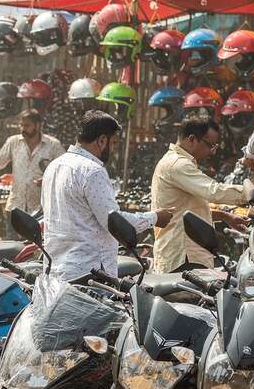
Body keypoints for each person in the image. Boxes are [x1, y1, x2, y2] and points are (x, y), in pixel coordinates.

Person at [42, 111, 174, 281]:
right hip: (89, 273)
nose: (113, 149)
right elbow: (114, 223)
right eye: (114, 143)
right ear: (102, 140)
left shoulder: (54, 165)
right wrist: (155, 218)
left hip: (55, 270)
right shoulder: (92, 171)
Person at [151, 117, 254, 273]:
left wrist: (225, 216)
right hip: (184, 255)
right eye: (210, 145)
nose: (212, 151)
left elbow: (186, 212)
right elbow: (215, 191)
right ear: (192, 139)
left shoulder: (175, 162)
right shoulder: (178, 165)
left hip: (185, 253)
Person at [0, 108, 64, 217]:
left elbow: (65, 171)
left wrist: (48, 179)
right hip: (15, 209)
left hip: (41, 210)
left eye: (27, 126)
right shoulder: (14, 142)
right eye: (21, 125)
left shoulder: (53, 145)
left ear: (38, 125)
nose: (23, 129)